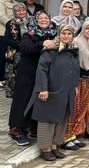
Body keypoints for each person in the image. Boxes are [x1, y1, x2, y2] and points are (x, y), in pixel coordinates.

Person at [28, 24, 79, 161]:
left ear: (72, 36)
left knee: (61, 119)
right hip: (50, 90)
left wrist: (75, 86)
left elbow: (75, 71)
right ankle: (45, 148)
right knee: (47, 119)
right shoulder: (50, 51)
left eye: (69, 34)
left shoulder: (73, 51)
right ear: (59, 34)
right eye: (64, 33)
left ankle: (54, 145)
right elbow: (41, 70)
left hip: (66, 91)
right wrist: (42, 88)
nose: (66, 36)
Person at [8, 10, 57, 146]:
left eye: (46, 18)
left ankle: (33, 127)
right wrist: (42, 44)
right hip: (28, 73)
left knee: (39, 100)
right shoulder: (28, 34)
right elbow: (26, 49)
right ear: (35, 20)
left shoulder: (54, 33)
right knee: (23, 100)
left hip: (45, 73)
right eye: (40, 18)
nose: (43, 20)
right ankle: (18, 131)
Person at [63, 21, 89, 151]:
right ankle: (66, 137)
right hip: (77, 81)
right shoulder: (76, 42)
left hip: (88, 80)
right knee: (73, 109)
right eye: (88, 28)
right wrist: (73, 82)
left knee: (82, 109)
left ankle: (74, 135)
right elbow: (71, 64)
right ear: (83, 29)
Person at [4, 3, 31, 99]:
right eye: (18, 11)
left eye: (23, 10)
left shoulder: (31, 21)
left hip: (30, 50)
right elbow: (7, 39)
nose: (21, 12)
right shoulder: (10, 23)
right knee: (16, 71)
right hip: (16, 51)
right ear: (15, 12)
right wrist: (20, 46)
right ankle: (16, 92)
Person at [1, 0, 18, 88]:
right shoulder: (0, 1)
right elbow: (1, 16)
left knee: (11, 57)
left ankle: (7, 79)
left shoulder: (16, 3)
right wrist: (14, 26)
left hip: (14, 36)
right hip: (3, 34)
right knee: (2, 57)